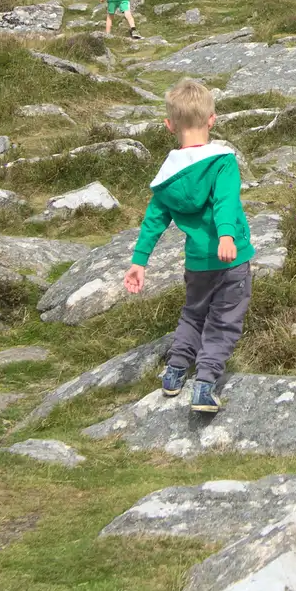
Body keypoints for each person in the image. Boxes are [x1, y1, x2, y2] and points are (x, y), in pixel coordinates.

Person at [123, 78, 254, 414]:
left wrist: (140, 261)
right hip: (230, 258)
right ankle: (205, 384)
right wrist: (226, 234)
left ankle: (175, 373)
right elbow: (225, 200)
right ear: (212, 119)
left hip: (197, 263)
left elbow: (154, 220)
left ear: (169, 126)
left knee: (193, 315)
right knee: (224, 320)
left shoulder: (167, 177)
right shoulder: (222, 161)